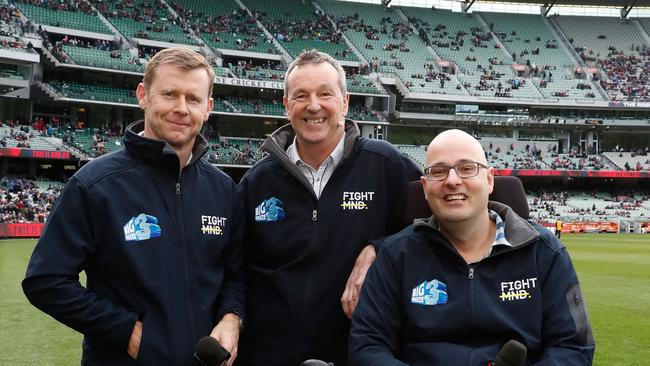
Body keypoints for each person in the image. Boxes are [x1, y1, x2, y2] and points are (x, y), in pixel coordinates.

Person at [22, 47, 245, 366]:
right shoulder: (96, 184)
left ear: (207, 108)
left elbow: (235, 276)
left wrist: (231, 317)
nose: (181, 108)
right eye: (169, 94)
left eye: (193, 99)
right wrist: (126, 333)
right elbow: (45, 280)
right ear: (143, 95)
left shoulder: (223, 189)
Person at [236, 50, 421, 366]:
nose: (313, 106)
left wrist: (379, 248)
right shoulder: (258, 181)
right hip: (268, 355)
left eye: (325, 94)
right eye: (301, 96)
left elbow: (437, 228)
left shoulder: (386, 165)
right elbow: (232, 266)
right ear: (286, 105)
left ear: (345, 102)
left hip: (355, 352)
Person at [349, 129, 595, 365]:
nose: (453, 181)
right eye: (439, 171)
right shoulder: (395, 256)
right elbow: (368, 346)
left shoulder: (546, 252)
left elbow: (573, 347)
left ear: (489, 180)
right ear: (425, 187)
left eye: (467, 169)